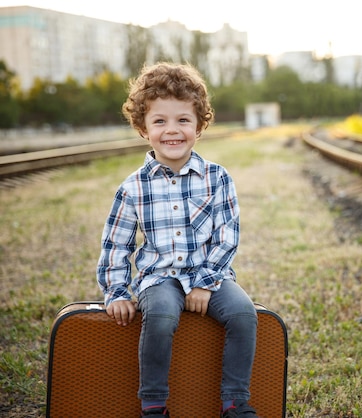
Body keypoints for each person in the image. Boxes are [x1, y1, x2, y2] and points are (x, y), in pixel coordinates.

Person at [97, 62, 259, 418]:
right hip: (159, 278)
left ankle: (235, 403)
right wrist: (117, 293)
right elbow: (116, 246)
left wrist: (204, 283)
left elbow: (227, 236)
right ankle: (153, 404)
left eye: (183, 120)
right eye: (160, 121)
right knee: (160, 315)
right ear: (143, 128)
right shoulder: (133, 188)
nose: (172, 130)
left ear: (199, 127)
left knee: (244, 314)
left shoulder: (217, 178)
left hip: (210, 275)